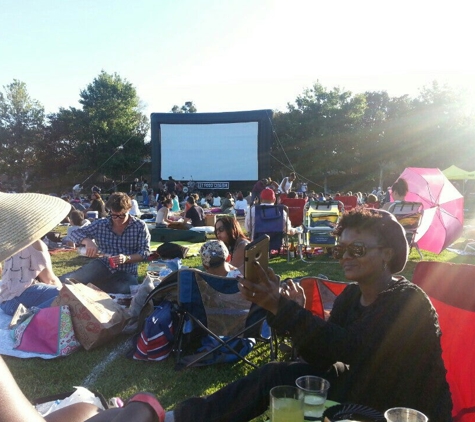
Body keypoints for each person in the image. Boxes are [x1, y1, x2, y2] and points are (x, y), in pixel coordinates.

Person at [157, 207, 451, 422]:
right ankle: (175, 419)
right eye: (342, 249)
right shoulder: (352, 296)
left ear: (387, 253)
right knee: (274, 374)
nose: (346, 256)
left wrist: (284, 310)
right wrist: (290, 314)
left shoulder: (408, 302)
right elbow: (323, 357)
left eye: (357, 249)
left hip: (403, 410)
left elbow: (349, 348)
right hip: (363, 391)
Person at [59, 192, 151, 294]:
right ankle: (47, 283)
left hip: (127, 271)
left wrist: (126, 258)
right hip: (103, 264)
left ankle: (97, 288)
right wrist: (87, 241)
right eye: (113, 215)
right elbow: (75, 233)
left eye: (121, 216)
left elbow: (145, 253)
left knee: (125, 289)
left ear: (129, 210)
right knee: (72, 279)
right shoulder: (101, 224)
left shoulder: (139, 226)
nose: (117, 220)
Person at [0, 193, 71, 316]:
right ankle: (29, 317)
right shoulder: (36, 245)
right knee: (66, 296)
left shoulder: (9, 243)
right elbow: (49, 279)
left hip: (4, 301)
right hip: (19, 300)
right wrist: (66, 290)